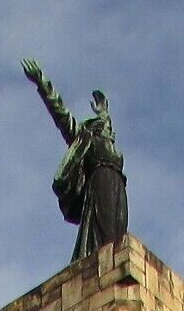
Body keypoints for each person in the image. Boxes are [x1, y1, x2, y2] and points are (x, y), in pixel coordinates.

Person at [22, 59, 128, 262]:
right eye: (104, 125)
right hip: (101, 186)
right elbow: (61, 114)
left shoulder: (111, 144)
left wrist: (104, 113)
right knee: (104, 236)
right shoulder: (88, 139)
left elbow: (108, 124)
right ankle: (102, 268)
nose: (109, 127)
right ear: (95, 127)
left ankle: (114, 266)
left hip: (118, 188)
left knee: (118, 234)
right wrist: (42, 82)